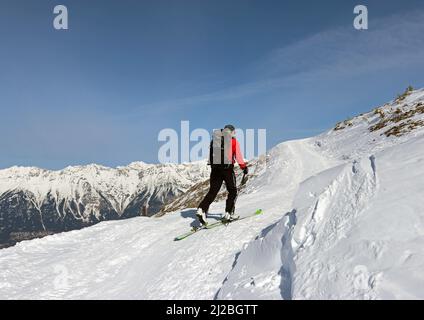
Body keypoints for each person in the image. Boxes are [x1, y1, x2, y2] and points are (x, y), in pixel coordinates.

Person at [196, 125, 248, 225]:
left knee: (212, 192)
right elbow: (238, 157)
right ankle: (228, 213)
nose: (235, 134)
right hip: (227, 169)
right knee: (232, 190)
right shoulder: (233, 141)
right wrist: (244, 167)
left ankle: (201, 209)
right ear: (232, 132)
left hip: (215, 169)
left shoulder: (216, 139)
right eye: (234, 132)